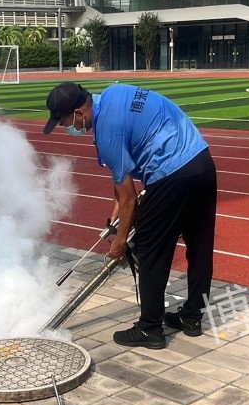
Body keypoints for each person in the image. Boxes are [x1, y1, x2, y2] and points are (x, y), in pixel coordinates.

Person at [43, 82, 217, 349]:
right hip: (201, 162)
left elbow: (129, 197)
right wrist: (118, 216)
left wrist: (120, 240)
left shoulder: (106, 136)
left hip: (170, 174)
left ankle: (150, 328)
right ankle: (192, 317)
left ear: (79, 112)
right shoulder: (114, 94)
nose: (67, 128)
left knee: (149, 249)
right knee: (200, 247)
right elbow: (122, 190)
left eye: (65, 121)